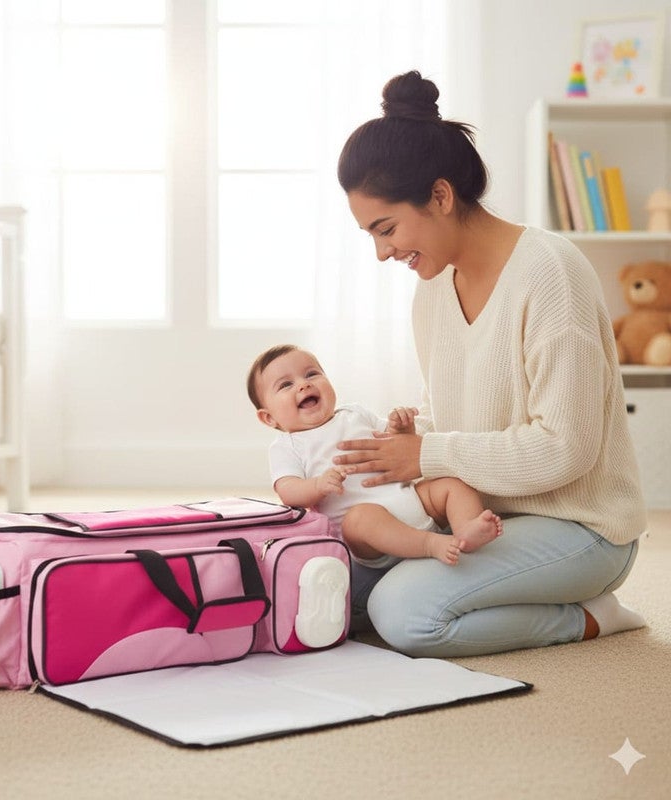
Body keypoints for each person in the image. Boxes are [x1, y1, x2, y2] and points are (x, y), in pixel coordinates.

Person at [332, 70, 647, 656]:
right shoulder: (431, 286)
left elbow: (565, 448)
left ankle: (592, 617)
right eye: (370, 235)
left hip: (580, 528)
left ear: (441, 196)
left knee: (404, 615)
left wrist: (427, 452)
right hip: (484, 517)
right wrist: (406, 443)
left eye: (386, 228)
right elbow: (445, 413)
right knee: (341, 586)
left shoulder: (551, 273)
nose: (381, 252)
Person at [247, 343, 503, 567]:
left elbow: (395, 445)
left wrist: (401, 428)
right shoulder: (287, 446)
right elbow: (288, 492)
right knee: (360, 518)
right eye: (286, 384)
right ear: (268, 417)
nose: (304, 384)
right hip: (370, 539)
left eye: (312, 374)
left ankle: (467, 528)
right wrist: (318, 485)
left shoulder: (355, 413)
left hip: (411, 500)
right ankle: (430, 544)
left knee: (451, 483)